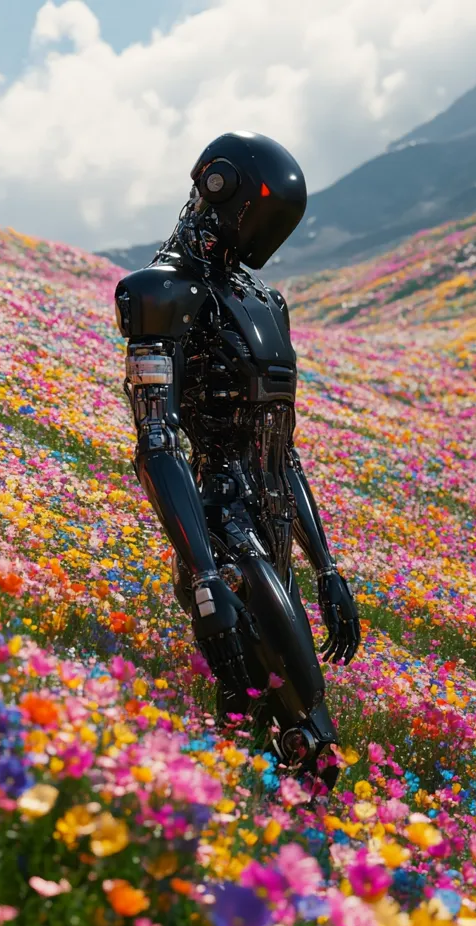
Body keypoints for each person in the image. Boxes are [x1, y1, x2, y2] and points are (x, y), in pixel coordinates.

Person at [115, 131, 360, 788]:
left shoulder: (265, 302)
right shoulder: (157, 293)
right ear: (221, 190)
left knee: (261, 725)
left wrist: (326, 566)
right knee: (307, 728)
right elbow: (157, 442)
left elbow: (286, 452)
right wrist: (203, 576)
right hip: (226, 533)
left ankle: (243, 846)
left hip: (271, 529)